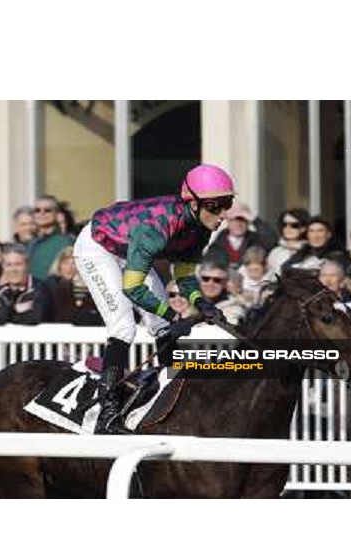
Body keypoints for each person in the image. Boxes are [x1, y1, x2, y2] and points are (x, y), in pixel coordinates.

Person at [73, 163, 232, 433]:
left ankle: (171, 395)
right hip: (97, 247)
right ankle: (108, 411)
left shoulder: (201, 227)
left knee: (161, 326)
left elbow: (183, 274)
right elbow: (133, 290)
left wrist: (202, 303)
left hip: (129, 247)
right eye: (215, 206)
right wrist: (175, 316)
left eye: (226, 204)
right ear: (193, 204)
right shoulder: (156, 229)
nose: (222, 216)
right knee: (124, 326)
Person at [0, 243, 52, 325]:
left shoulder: (41, 290)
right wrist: (14, 309)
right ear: (3, 267)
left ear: (27, 265)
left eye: (18, 264)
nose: (13, 269)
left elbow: (35, 319)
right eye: (9, 265)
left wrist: (4, 315)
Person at [45, 247, 102, 325]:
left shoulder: (92, 286)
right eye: (66, 263)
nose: (69, 268)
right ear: (59, 265)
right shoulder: (52, 284)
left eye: (74, 263)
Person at [205, 202, 266, 269]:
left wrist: (255, 220)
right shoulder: (217, 245)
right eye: (234, 220)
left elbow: (272, 240)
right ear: (228, 221)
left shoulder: (257, 241)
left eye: (242, 220)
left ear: (248, 222)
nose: (238, 224)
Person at [28, 196, 74, 281]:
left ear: (57, 215)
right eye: (37, 210)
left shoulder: (66, 242)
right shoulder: (32, 243)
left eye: (47, 210)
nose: (42, 213)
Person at [283, 216, 347, 271]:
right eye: (311, 231)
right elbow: (285, 268)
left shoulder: (338, 254)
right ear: (307, 235)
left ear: (328, 234)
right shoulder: (302, 252)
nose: (315, 236)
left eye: (320, 231)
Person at [198, 261, 247, 326]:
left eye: (217, 280)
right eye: (205, 279)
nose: (210, 284)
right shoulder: (195, 301)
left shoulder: (233, 311)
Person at [266, 208, 310, 275]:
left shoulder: (311, 251)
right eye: (284, 224)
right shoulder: (275, 252)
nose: (288, 228)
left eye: (294, 225)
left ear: (303, 228)